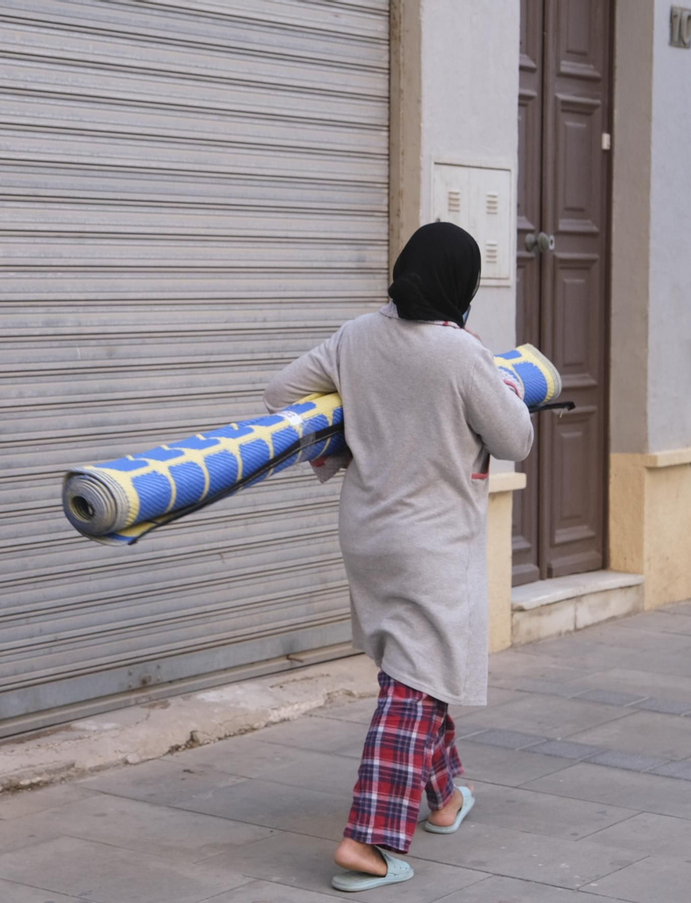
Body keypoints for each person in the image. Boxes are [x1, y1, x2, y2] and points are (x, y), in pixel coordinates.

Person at [263, 222, 534, 893]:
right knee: (413, 681)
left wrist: (355, 439)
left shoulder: (356, 337)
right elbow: (516, 436)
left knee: (417, 663)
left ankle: (444, 798)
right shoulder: (459, 352)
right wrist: (493, 371)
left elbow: (279, 394)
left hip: (368, 533)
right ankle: (368, 838)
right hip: (432, 542)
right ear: (460, 286)